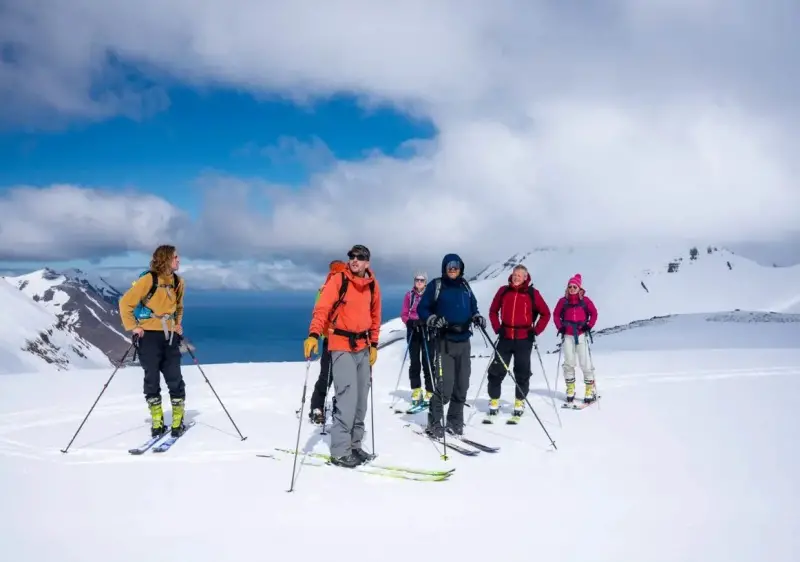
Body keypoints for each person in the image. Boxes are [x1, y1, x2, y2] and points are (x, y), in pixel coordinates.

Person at [303, 244, 381, 467]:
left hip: (363, 346)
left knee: (361, 400)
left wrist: (374, 344)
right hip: (340, 344)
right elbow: (322, 309)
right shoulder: (339, 280)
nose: (355, 260)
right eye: (352, 257)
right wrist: (313, 334)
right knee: (346, 398)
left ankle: (354, 446)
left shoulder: (373, 285)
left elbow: (375, 316)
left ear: (367, 262)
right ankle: (339, 451)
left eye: (360, 257)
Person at [119, 244, 188, 438]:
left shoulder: (178, 282)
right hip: (148, 336)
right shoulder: (149, 279)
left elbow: (179, 307)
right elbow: (125, 303)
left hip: (170, 336)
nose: (178, 260)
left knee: (175, 378)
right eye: (175, 257)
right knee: (152, 380)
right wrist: (134, 327)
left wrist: (177, 324)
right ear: (166, 259)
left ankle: (177, 421)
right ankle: (157, 422)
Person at [416, 253, 485, 438]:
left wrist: (477, 316)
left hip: (464, 341)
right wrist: (432, 318)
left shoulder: (465, 286)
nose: (453, 269)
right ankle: (434, 422)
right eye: (449, 266)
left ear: (461, 267)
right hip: (444, 341)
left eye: (456, 266)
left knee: (462, 385)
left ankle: (455, 421)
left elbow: (473, 307)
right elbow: (422, 308)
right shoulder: (437, 286)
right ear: (444, 268)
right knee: (445, 386)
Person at [486, 264, 551, 418]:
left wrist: (535, 331)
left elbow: (545, 313)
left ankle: (519, 401)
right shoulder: (503, 291)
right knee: (497, 370)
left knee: (522, 372)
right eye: (514, 274)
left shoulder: (532, 293)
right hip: (505, 337)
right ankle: (494, 400)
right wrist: (497, 328)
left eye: (519, 275)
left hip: (524, 339)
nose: (516, 277)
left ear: (525, 278)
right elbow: (493, 311)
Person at [308, 259, 348, 424]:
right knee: (341, 376)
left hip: (329, 338)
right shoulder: (346, 286)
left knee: (326, 374)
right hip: (342, 339)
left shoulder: (324, 289)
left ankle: (317, 407)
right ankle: (339, 406)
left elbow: (318, 312)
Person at [553, 273, 598, 403]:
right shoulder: (563, 301)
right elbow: (556, 315)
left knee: (585, 363)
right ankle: (570, 388)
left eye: (574, 286)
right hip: (567, 334)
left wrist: (588, 325)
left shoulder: (585, 301)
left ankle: (590, 389)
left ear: (579, 288)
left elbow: (594, 313)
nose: (572, 288)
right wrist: (560, 326)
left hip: (581, 334)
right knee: (569, 362)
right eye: (570, 286)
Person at [400, 271, 433, 408]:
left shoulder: (430, 295)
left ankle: (430, 390)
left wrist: (427, 321)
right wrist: (410, 322)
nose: (419, 282)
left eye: (422, 280)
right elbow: (404, 313)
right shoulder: (409, 295)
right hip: (413, 330)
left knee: (428, 361)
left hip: (427, 330)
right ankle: (416, 389)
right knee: (414, 361)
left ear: (426, 282)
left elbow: (434, 311)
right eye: (417, 280)